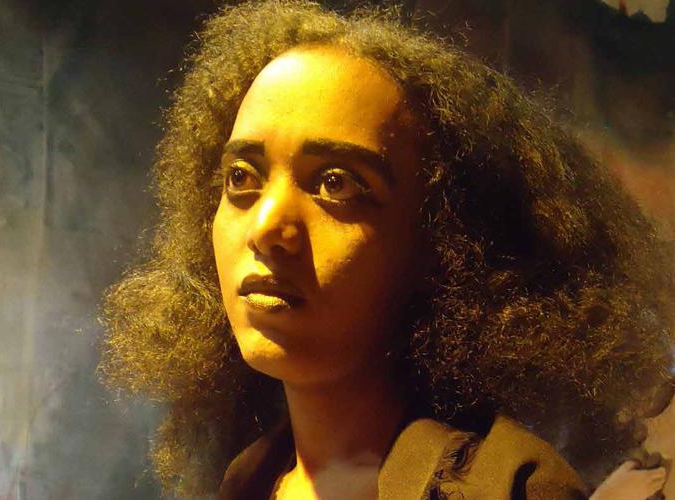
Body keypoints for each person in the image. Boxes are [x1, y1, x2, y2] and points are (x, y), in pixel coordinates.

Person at [99, 1, 674, 498]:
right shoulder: (247, 479)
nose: (267, 226)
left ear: (440, 246)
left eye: (336, 184)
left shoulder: (504, 488)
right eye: (241, 178)